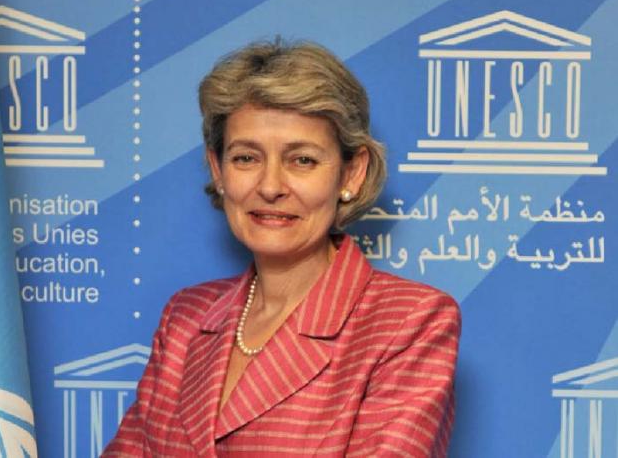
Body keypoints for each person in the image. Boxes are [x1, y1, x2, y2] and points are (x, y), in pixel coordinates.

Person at [103, 39, 460, 457]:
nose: (270, 186)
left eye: (302, 160)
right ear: (218, 169)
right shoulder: (185, 317)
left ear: (351, 173)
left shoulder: (409, 322)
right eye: (246, 158)